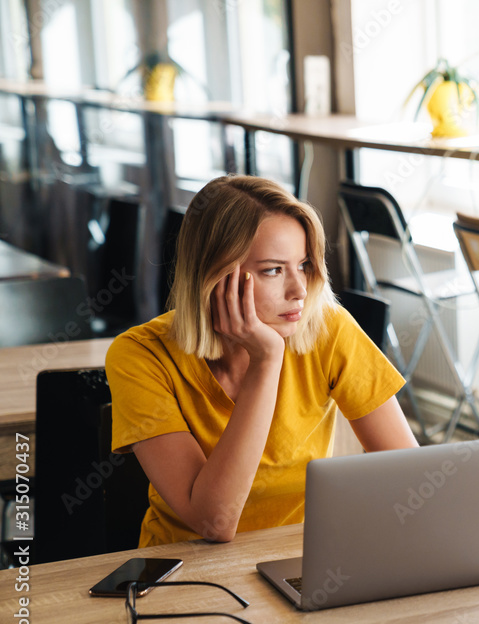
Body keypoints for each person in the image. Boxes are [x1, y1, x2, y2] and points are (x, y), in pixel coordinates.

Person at [106, 175, 418, 547]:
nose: (299, 290)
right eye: (273, 269)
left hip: (303, 563)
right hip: (184, 572)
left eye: (303, 265)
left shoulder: (326, 327)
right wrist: (266, 360)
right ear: (213, 276)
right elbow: (213, 523)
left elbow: (410, 477)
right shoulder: (140, 355)